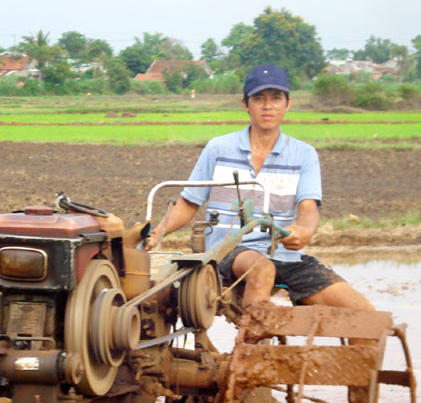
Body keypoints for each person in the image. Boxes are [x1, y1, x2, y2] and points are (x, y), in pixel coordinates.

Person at [146, 64, 374, 313]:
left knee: (365, 314)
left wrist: (305, 231)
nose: (268, 105)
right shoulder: (218, 149)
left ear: (288, 103)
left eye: (276, 98)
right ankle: (254, 349)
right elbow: (189, 204)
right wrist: (155, 234)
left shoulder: (303, 154)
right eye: (259, 98)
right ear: (246, 104)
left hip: (284, 256)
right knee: (262, 270)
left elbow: (308, 208)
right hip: (228, 253)